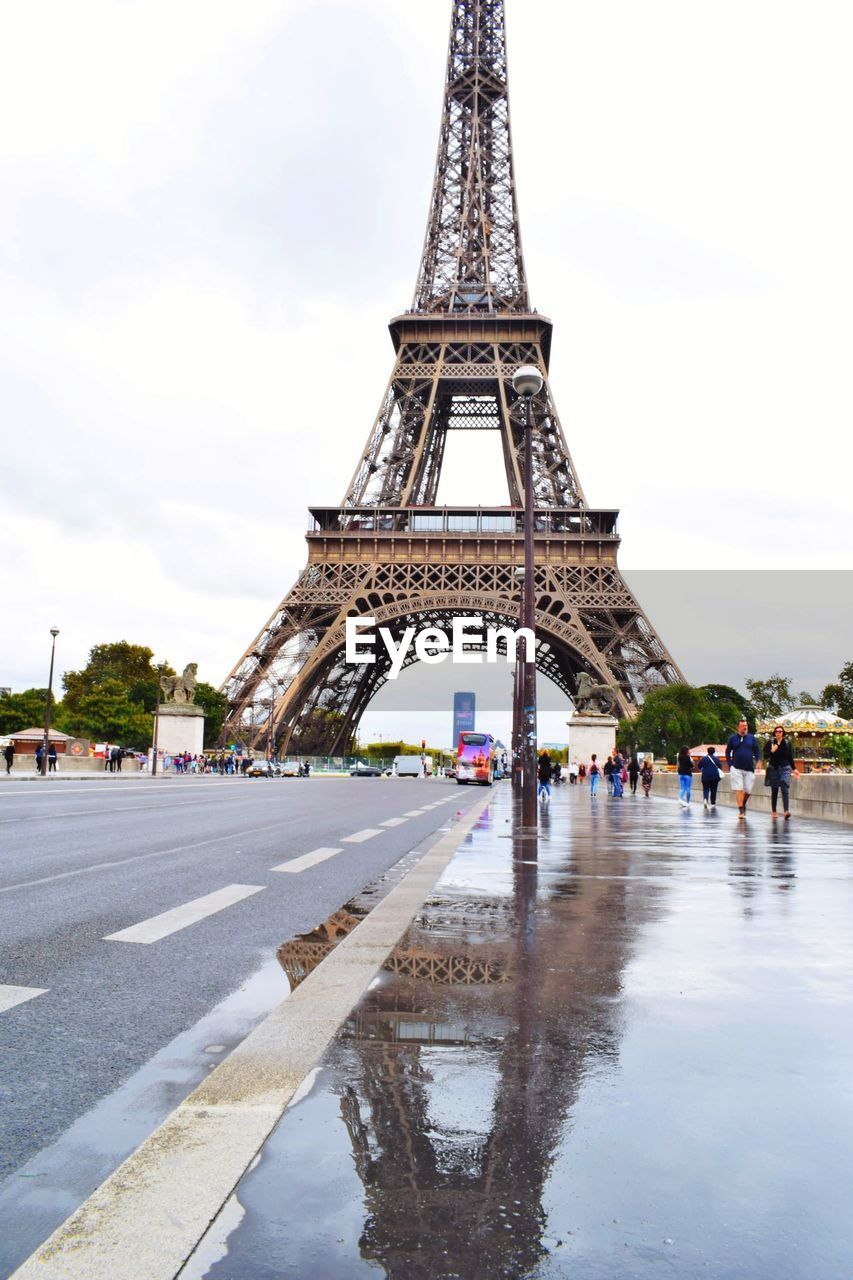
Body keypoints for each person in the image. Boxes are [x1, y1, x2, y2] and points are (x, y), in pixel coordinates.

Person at [725, 717, 761, 820]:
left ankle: (743, 802)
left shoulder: (751, 738)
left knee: (748, 790)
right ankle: (741, 810)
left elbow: (757, 751)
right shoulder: (732, 739)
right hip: (736, 768)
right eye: (743, 726)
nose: (745, 728)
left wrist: (758, 760)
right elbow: (727, 752)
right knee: (739, 789)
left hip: (749, 768)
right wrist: (730, 764)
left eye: (746, 726)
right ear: (738, 727)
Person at [764, 725, 798, 819]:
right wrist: (772, 751)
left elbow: (790, 757)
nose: (778, 733)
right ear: (774, 733)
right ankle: (774, 811)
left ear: (783, 733)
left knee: (785, 787)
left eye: (780, 731)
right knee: (774, 790)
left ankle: (786, 811)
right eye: (777, 731)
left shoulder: (787, 743)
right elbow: (765, 756)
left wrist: (794, 769)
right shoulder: (770, 742)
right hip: (774, 768)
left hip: (785, 767)